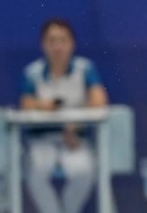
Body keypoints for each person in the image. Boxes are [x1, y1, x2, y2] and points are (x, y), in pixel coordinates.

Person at [20, 19, 109, 213]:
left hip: (75, 139)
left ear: (72, 43)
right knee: (35, 172)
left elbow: (99, 101)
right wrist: (44, 106)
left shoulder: (85, 69)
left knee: (84, 172)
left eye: (62, 40)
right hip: (42, 141)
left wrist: (74, 124)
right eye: (52, 41)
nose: (57, 46)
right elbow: (26, 105)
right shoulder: (32, 73)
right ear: (43, 44)